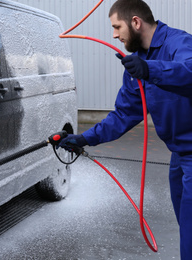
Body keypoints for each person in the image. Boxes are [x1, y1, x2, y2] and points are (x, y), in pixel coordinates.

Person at [58, 0, 192, 259]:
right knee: (184, 222)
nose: (114, 35)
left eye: (117, 26)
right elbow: (124, 115)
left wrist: (151, 70)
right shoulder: (136, 63)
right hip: (180, 155)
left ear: (135, 22)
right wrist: (84, 139)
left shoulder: (179, 43)